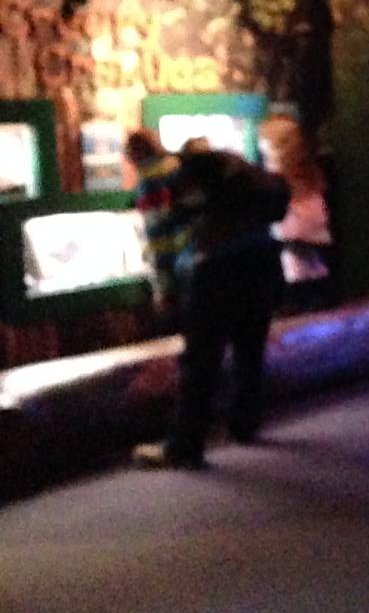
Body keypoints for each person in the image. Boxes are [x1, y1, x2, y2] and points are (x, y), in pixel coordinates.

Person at [134, 147, 289, 469]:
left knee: (201, 361)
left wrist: (167, 285)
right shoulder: (249, 175)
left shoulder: (181, 177)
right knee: (250, 350)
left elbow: (165, 227)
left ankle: (185, 446)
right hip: (260, 264)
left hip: (215, 269)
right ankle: (244, 423)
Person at [258, 115, 333, 309]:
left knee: (299, 293)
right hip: (312, 241)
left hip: (293, 241)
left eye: (265, 141)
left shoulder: (276, 178)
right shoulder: (312, 170)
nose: (261, 145)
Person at [124, 128, 188, 312]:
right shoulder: (175, 166)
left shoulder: (149, 179)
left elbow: (157, 231)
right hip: (189, 252)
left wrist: (161, 288)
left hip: (171, 261)